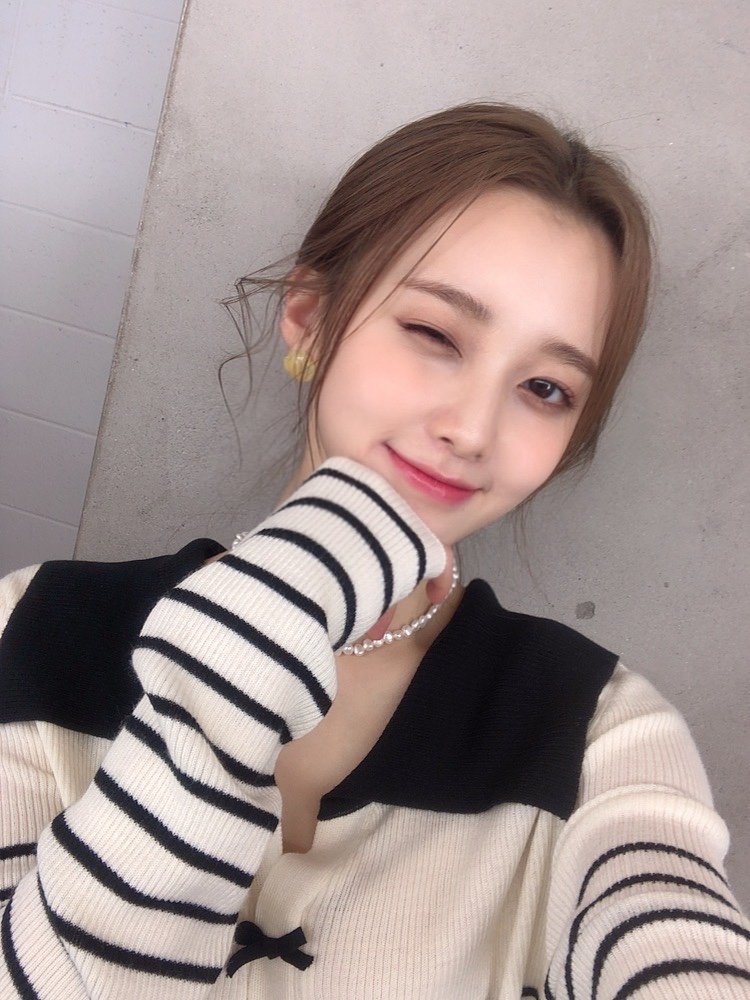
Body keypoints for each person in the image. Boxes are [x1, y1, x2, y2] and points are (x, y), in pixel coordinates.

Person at [0, 103, 748, 999]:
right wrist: (267, 621)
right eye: (435, 334)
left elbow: (669, 934)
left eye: (546, 388)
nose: (472, 428)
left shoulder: (600, 730)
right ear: (311, 319)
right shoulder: (34, 627)